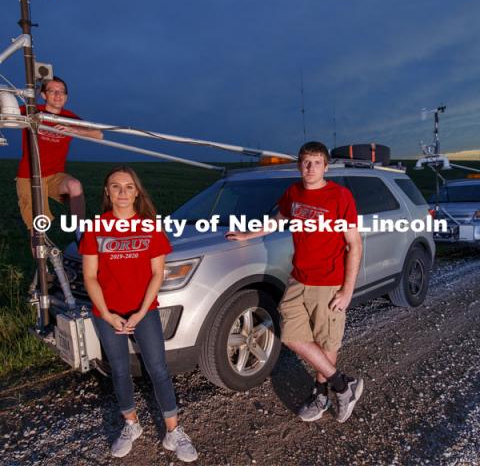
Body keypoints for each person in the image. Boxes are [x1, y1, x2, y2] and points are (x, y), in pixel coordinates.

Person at [227, 141, 364, 423]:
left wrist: (347, 289)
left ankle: (321, 394)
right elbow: (278, 219)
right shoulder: (293, 193)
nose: (310, 167)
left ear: (326, 166)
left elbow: (355, 244)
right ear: (299, 164)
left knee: (326, 341)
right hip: (298, 278)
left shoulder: (340, 196)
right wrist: (247, 235)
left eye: (316, 162)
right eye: (305, 161)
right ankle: (342, 385)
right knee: (291, 336)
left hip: (328, 282)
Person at [80, 166, 198, 462]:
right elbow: (90, 277)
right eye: (116, 186)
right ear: (107, 192)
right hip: (108, 313)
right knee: (119, 370)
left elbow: (158, 273)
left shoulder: (149, 227)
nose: (122, 192)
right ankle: (131, 425)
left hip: (144, 311)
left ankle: (173, 431)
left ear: (137, 192)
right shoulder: (95, 228)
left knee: (158, 369)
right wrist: (107, 315)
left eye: (128, 187)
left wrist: (142, 311)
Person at [16, 76, 103, 239]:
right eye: (53, 91)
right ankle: (40, 263)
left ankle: (81, 235)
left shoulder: (69, 117)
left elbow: (98, 134)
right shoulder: (32, 110)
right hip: (29, 176)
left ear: (67, 96)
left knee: (74, 185)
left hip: (54, 175)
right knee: (38, 230)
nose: (58, 95)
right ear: (43, 95)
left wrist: (75, 130)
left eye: (62, 91)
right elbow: (7, 114)